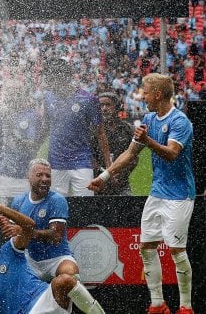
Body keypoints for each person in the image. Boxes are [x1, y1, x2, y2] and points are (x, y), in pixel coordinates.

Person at [88, 73, 195, 314]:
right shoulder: (148, 118)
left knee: (177, 251)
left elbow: (171, 153)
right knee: (147, 246)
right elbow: (130, 153)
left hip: (179, 195)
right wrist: (104, 177)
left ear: (157, 94)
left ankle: (186, 306)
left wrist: (148, 140)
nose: (142, 96)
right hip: (157, 192)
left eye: (145, 92)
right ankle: (158, 303)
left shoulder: (180, 122)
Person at [0, 200, 105, 313]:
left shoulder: (8, 251)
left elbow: (29, 226)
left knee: (64, 280)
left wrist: (2, 209)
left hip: (45, 300)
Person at [11, 159, 93, 289]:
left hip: (56, 259)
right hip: (30, 260)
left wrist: (25, 232)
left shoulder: (57, 200)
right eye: (39, 175)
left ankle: (88, 307)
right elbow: (12, 236)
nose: (44, 179)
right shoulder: (18, 201)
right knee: (7, 277)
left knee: (71, 275)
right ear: (28, 177)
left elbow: (55, 237)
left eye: (48, 176)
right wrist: (6, 227)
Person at [42, 58, 111, 196]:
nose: (49, 83)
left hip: (82, 162)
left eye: (51, 79)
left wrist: (109, 166)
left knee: (85, 207)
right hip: (56, 163)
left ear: (65, 77)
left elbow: (100, 133)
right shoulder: (47, 97)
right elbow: (45, 128)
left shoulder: (88, 99)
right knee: (57, 207)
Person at [0, 79, 45, 197]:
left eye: (17, 93)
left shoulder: (31, 115)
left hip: (22, 177)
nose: (13, 96)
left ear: (23, 94)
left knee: (19, 214)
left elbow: (31, 145)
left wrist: (12, 133)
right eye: (9, 92)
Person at [91, 92, 138, 195]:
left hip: (122, 184)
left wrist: (120, 175)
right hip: (99, 185)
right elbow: (89, 158)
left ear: (117, 107)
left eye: (108, 105)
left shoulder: (128, 129)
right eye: (101, 105)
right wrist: (105, 175)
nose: (104, 108)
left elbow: (134, 158)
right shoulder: (92, 130)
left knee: (127, 210)